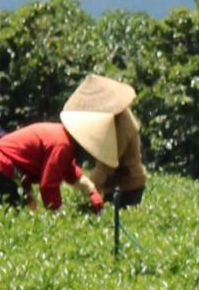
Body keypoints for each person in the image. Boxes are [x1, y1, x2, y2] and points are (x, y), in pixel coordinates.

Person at [0, 120, 104, 212]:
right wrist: (59, 218)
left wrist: (92, 191)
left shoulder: (61, 136)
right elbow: (48, 186)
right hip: (0, 175)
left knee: (27, 213)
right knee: (19, 221)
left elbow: (70, 172)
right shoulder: (63, 145)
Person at [63, 73, 148, 210]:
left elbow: (107, 164)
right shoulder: (117, 117)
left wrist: (87, 189)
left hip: (127, 187)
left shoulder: (121, 125)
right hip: (114, 186)